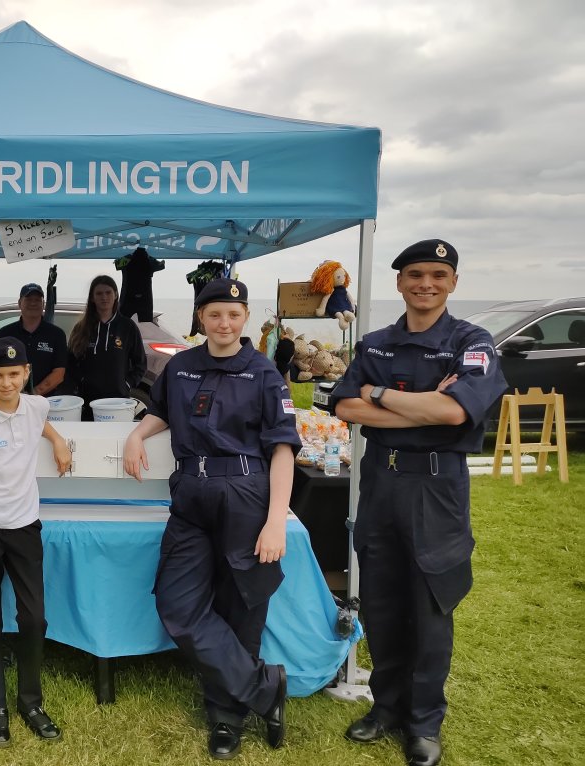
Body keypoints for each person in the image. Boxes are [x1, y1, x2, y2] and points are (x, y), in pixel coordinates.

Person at [331, 240, 507, 766]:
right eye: (414, 274)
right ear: (399, 282)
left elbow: (456, 415)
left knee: (431, 606)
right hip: (381, 485)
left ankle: (424, 722)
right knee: (381, 602)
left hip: (437, 490)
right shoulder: (377, 343)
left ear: (452, 282)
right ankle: (385, 706)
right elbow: (343, 404)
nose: (424, 283)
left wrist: (381, 397)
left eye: (436, 274)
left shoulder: (471, 342)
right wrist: (423, 405)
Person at [123, 278, 299, 760]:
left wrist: (276, 520)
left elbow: (282, 450)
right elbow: (161, 411)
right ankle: (265, 687)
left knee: (242, 603)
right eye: (215, 314)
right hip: (191, 494)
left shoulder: (263, 373)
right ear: (200, 317)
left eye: (234, 315)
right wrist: (138, 435)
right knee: (176, 603)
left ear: (245, 318)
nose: (224, 323)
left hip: (245, 492)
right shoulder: (180, 366)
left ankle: (227, 718)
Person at [0, 338, 72, 747]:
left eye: (14, 374)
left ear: (26, 374)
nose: (7, 383)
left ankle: (30, 701)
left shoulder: (38, 406)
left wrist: (57, 441)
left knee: (34, 618)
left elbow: (41, 422)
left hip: (24, 527)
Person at [67, 274, 147, 419]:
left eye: (108, 292)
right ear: (92, 298)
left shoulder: (128, 327)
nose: (104, 297)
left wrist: (126, 384)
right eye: (99, 293)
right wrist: (80, 383)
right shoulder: (81, 328)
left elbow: (140, 364)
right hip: (87, 402)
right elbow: (71, 363)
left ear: (116, 295)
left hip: (117, 402)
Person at [0, 283, 68, 396]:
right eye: (28, 299)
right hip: (11, 399)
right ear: (19, 303)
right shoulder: (5, 334)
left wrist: (33, 394)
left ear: (43, 304)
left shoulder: (57, 334)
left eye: (37, 300)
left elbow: (59, 374)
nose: (33, 303)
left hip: (47, 403)